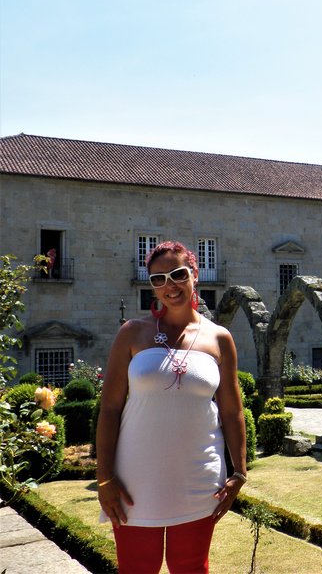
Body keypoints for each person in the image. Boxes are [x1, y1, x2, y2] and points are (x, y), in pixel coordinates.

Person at [96, 240, 247, 573]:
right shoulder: (132, 333)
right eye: (158, 279)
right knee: (136, 568)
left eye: (177, 274)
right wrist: (104, 477)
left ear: (194, 274)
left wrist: (239, 472)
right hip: (134, 482)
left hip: (198, 478)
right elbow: (109, 408)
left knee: (192, 567)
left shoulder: (219, 338)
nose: (169, 286)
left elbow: (232, 410)